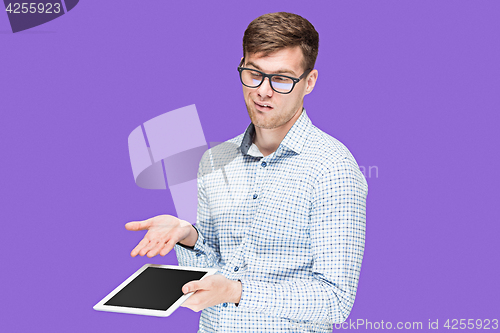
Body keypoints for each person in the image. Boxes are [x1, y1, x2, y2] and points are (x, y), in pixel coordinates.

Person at [125, 12, 368, 333]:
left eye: (281, 78)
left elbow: (335, 299)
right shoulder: (215, 160)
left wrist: (238, 292)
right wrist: (187, 237)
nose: (263, 91)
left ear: (309, 82)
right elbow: (212, 269)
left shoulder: (332, 168)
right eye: (254, 74)